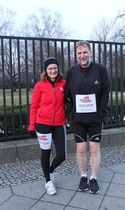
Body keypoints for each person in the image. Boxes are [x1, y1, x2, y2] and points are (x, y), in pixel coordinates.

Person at [65, 40, 109, 194]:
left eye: (85, 52)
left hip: (95, 118)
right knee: (81, 148)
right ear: (76, 55)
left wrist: (101, 112)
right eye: (79, 53)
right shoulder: (71, 72)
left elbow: (105, 91)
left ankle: (93, 178)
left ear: (90, 53)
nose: (82, 55)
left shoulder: (101, 70)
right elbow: (67, 95)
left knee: (94, 147)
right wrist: (72, 111)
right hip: (78, 119)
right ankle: (83, 176)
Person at [28, 57, 67, 196]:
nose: (53, 71)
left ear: (58, 69)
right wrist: (31, 126)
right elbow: (34, 106)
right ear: (46, 70)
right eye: (50, 68)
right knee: (46, 153)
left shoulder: (64, 83)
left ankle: (50, 170)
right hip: (42, 124)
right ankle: (48, 182)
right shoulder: (40, 85)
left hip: (59, 124)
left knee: (62, 155)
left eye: (55, 68)